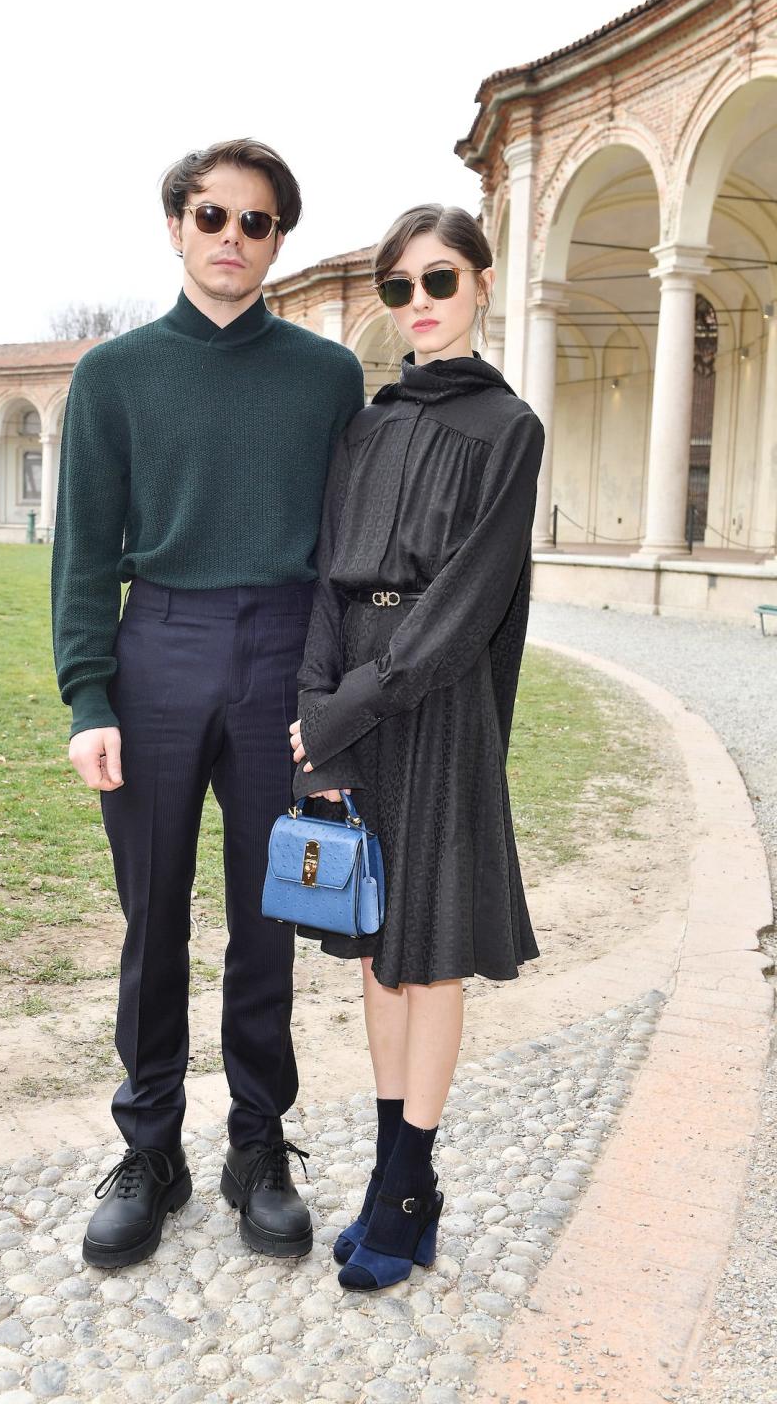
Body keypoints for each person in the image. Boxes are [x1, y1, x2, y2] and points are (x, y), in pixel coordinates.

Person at [51, 138, 364, 1268]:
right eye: (213, 216)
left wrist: (331, 700)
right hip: (160, 649)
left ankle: (258, 1145)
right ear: (175, 226)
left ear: (280, 239)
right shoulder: (116, 375)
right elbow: (84, 553)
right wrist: (91, 697)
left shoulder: (327, 378)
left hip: (284, 649)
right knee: (154, 918)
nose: (234, 238)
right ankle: (151, 1150)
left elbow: (345, 552)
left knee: (271, 914)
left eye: (259, 221)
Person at [289, 204, 544, 1291]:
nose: (420, 304)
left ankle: (405, 1183)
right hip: (348, 683)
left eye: (439, 280)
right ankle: (397, 1177)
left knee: (427, 952)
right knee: (371, 939)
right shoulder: (368, 422)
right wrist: (315, 699)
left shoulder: (509, 428)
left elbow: (472, 601)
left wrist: (354, 701)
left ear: (482, 284)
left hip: (431, 701)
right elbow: (323, 573)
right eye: (399, 288)